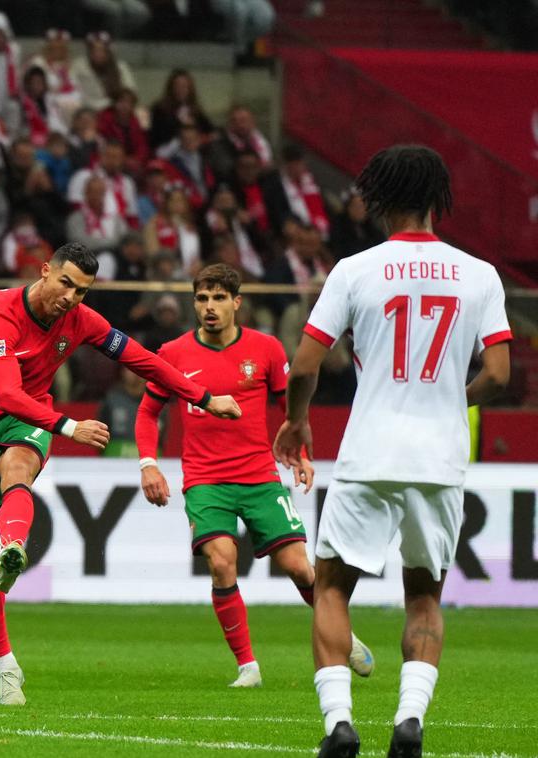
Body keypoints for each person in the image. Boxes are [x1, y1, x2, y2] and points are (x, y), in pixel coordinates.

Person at [273, 145, 513, 757]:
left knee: (330, 587)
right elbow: (501, 374)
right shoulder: (479, 273)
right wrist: (451, 399)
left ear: (378, 200)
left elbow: (304, 366)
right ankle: (410, 719)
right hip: (439, 460)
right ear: (439, 200)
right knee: (425, 596)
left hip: (369, 453)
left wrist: (297, 422)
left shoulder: (355, 270)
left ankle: (338, 724)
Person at [0, 242, 242, 706]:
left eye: (81, 291)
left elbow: (142, 360)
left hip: (32, 416)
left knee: (18, 467)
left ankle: (16, 546)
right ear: (45, 271)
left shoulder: (82, 320)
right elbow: (5, 393)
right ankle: (5, 663)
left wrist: (203, 396)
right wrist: (70, 427)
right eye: (65, 283)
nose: (70, 297)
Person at [135, 263, 375, 688]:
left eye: (219, 298)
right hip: (206, 482)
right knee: (222, 562)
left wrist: (299, 453)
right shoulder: (172, 353)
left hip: (260, 478)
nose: (209, 307)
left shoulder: (265, 349)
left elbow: (291, 409)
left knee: (301, 569)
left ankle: (344, 637)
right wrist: (148, 463)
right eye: (202, 298)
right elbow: (149, 411)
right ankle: (248, 667)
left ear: (237, 303)